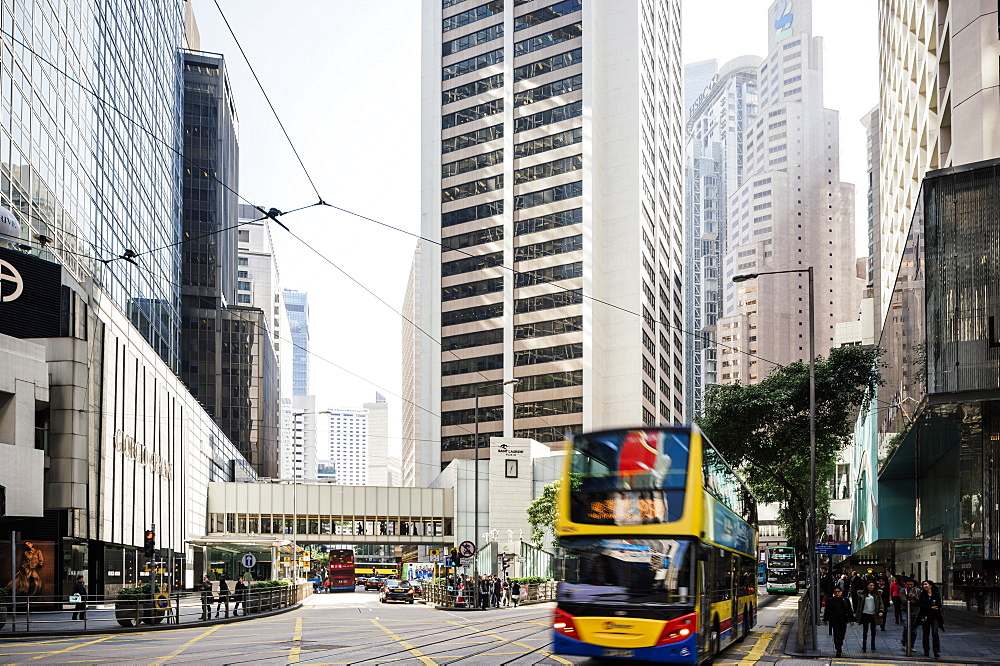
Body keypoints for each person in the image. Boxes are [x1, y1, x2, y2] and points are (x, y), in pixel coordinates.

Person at [822, 586, 855, 657]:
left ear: (841, 592)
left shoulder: (845, 600)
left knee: (842, 634)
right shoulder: (830, 601)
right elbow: (827, 611)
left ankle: (840, 644)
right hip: (834, 620)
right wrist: (825, 619)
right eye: (835, 592)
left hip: (843, 620)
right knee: (836, 634)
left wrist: (851, 620)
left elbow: (849, 610)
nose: (837, 593)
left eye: (838, 592)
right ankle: (838, 649)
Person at [854, 580, 884, 652]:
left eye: (873, 585)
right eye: (870, 585)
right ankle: (864, 645)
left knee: (873, 630)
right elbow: (859, 605)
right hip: (865, 614)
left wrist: (881, 611)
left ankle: (873, 644)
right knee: (865, 630)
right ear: (867, 586)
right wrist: (857, 615)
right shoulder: (862, 594)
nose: (872, 587)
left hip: (874, 614)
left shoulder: (877, 594)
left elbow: (881, 603)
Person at [916, 580, 943, 659]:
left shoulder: (936, 595)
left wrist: (936, 607)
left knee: (935, 633)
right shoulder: (922, 595)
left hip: (935, 616)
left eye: (926, 584)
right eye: (923, 585)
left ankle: (936, 651)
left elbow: (939, 605)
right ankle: (926, 650)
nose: (924, 586)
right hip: (925, 616)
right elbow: (920, 604)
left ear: (930, 585)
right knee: (926, 633)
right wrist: (930, 607)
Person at [900, 577, 920, 650]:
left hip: (915, 611)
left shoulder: (917, 591)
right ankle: (904, 642)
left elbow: (919, 602)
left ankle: (911, 645)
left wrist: (915, 597)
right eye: (908, 584)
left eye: (911, 584)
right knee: (906, 627)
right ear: (906, 584)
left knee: (914, 630)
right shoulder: (903, 591)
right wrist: (913, 601)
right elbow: (904, 601)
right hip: (905, 611)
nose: (910, 586)